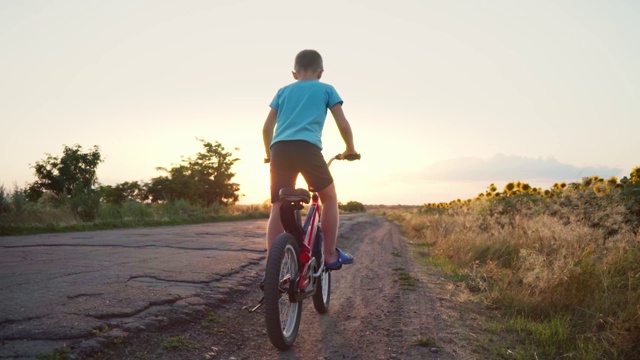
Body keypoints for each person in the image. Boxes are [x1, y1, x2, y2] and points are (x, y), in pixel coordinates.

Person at [262, 49, 357, 270]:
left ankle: (271, 268)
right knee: (329, 198)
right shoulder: (326, 89)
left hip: (279, 149)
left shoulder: (282, 91)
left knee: (278, 204)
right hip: (307, 148)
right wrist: (350, 149)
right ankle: (331, 255)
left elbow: (267, 128)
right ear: (320, 72)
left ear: (294, 73)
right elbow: (342, 123)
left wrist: (269, 154)